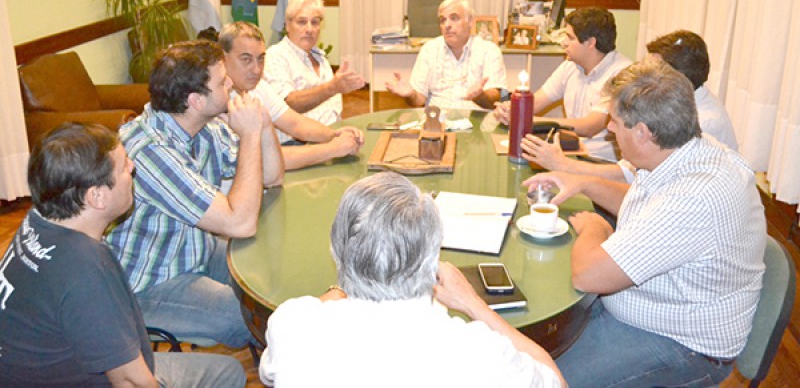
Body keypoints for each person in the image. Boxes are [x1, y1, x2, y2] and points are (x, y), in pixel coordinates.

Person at [523, 60, 766, 387]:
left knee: (541, 380)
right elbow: (653, 210)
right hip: (640, 308)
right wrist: (584, 184)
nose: (609, 129)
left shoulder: (695, 196)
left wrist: (596, 228)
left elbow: (588, 275)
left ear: (643, 132)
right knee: (531, 352)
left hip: (680, 345)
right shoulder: (688, 150)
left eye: (615, 121)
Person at [259, 172, 565, 387]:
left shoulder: (292, 324)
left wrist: (340, 290)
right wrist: (473, 304)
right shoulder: (479, 352)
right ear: (433, 262)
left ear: (337, 250)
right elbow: (556, 382)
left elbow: (269, 374)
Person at [0, 123, 245, 387]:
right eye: (123, 167)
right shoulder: (86, 271)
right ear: (97, 197)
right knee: (229, 372)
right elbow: (130, 382)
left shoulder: (39, 219)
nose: (133, 167)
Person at [106, 40, 284, 348]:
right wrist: (250, 134)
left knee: (270, 273)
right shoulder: (150, 150)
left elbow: (272, 176)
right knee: (250, 317)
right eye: (222, 82)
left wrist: (264, 126)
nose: (231, 84)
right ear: (196, 101)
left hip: (192, 252)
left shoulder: (202, 127)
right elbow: (240, 223)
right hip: (150, 283)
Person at [522, 30, 738, 182]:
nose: (643, 76)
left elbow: (632, 180)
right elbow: (631, 170)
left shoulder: (702, 124)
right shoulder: (673, 102)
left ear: (674, 79)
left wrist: (565, 166)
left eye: (651, 71)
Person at [219, 21, 365, 169]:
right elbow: (264, 159)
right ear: (223, 59)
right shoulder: (218, 100)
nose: (257, 69)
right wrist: (333, 149)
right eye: (246, 59)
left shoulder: (258, 87)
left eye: (261, 58)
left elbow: (295, 123)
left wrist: (334, 135)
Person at [494, 7, 631, 161]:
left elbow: (590, 127)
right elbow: (536, 103)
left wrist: (525, 119)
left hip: (600, 161)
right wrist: (511, 110)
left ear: (590, 43)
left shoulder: (622, 74)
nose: (563, 43)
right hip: (569, 153)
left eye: (570, 38)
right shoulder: (570, 65)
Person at [386, 0, 507, 110]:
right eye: (443, 20)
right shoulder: (429, 50)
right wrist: (410, 94)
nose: (447, 25)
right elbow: (418, 100)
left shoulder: (489, 51)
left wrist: (480, 96)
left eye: (454, 18)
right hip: (438, 120)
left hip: (475, 121)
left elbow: (495, 98)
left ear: (470, 21)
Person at [263, 0, 364, 126]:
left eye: (315, 22)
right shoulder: (275, 56)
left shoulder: (320, 58)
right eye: (302, 22)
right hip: (300, 138)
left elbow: (332, 112)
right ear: (287, 25)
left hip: (332, 132)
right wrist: (332, 87)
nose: (309, 29)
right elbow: (286, 105)